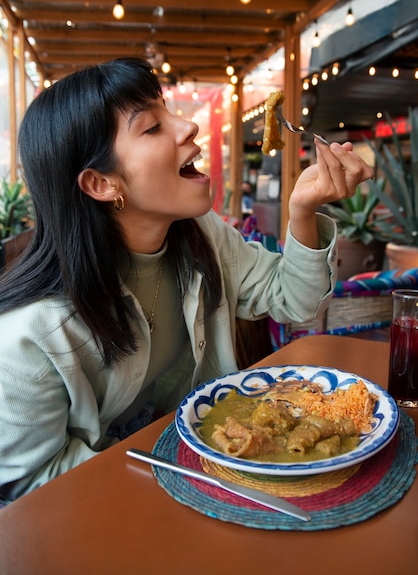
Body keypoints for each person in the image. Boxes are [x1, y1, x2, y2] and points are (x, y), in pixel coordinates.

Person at [0, 58, 373, 503]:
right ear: (101, 182)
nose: (188, 126)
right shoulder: (32, 333)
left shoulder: (201, 236)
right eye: (151, 127)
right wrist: (180, 471)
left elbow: (295, 300)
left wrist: (302, 210)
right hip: (109, 503)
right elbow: (30, 479)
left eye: (167, 111)